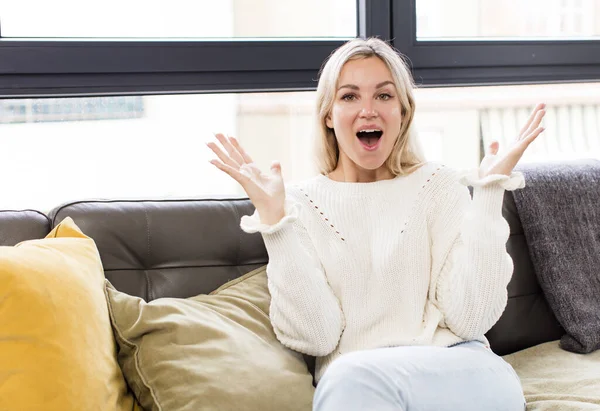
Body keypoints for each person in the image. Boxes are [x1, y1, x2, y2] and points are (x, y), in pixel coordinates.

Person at [207, 37, 545, 411]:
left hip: (464, 371)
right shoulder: (298, 205)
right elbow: (317, 337)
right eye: (350, 96)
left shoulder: (438, 184)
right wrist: (275, 221)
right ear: (328, 116)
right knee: (351, 380)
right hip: (357, 387)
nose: (368, 110)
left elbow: (470, 318)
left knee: (351, 380)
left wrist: (488, 194)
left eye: (384, 96)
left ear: (403, 111)